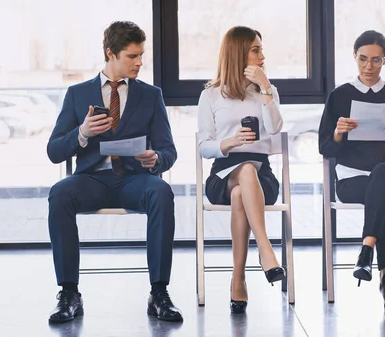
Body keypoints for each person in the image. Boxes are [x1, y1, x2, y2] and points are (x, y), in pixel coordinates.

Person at [46, 21, 182, 323]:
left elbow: (169, 150)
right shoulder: (77, 94)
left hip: (135, 179)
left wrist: (155, 159)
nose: (139, 62)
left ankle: (159, 292)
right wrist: (81, 132)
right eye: (132, 56)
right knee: (60, 193)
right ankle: (69, 293)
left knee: (161, 191)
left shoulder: (151, 95)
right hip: (91, 180)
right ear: (111, 53)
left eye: (141, 55)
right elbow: (54, 150)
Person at [318, 30, 385, 313]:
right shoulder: (339, 96)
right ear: (354, 56)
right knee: (382, 190)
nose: (368, 66)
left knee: (384, 173)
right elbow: (324, 147)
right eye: (363, 59)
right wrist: (339, 133)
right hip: (353, 180)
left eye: (376, 60)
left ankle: (367, 249)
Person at [197, 26, 287, 314]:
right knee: (243, 170)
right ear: (238, 53)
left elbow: (275, 129)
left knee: (243, 187)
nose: (262, 56)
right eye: (256, 50)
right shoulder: (211, 95)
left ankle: (238, 278)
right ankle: (265, 249)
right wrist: (229, 142)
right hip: (223, 173)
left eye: (261, 49)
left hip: (262, 177)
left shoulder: (267, 92)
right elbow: (203, 147)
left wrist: (266, 88)